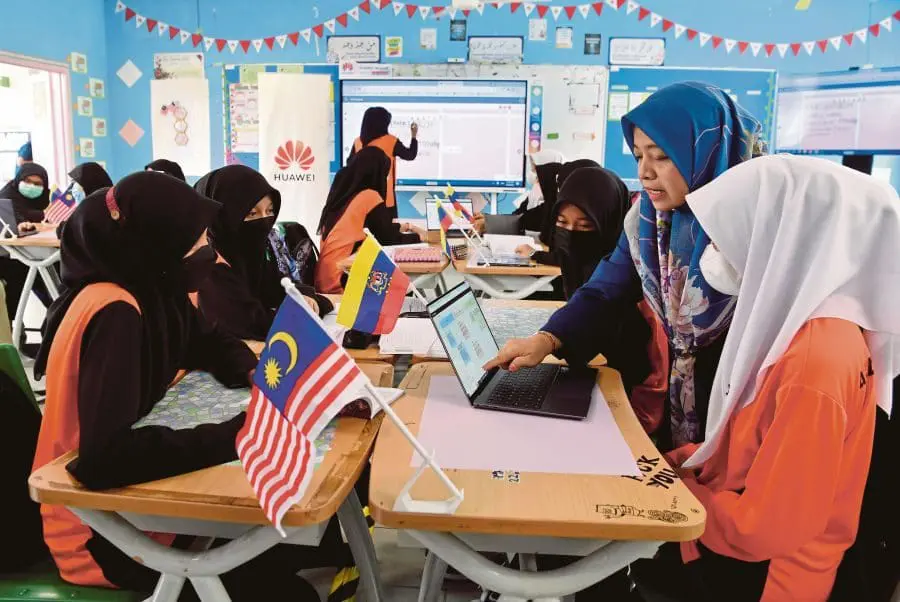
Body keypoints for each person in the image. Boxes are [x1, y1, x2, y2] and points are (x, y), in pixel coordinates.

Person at [30, 172, 329, 599]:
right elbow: (103, 459)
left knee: (292, 549)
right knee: (290, 592)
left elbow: (210, 341)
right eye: (194, 241)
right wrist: (238, 436)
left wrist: (255, 375)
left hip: (140, 501)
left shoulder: (158, 286)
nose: (206, 250)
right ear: (153, 243)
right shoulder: (113, 311)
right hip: (99, 530)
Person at [632, 154, 900, 602]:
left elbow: (765, 528)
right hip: (746, 544)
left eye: (729, 237)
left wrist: (678, 493)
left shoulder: (816, 360)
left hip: (768, 579)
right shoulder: (809, 325)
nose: (712, 253)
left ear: (786, 240)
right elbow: (767, 449)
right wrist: (693, 459)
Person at [485, 82, 763, 450]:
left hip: (744, 398)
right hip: (678, 404)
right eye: (638, 156)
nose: (645, 172)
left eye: (661, 155)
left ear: (706, 151)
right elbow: (605, 289)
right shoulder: (648, 221)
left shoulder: (756, 228)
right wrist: (546, 340)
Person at [193, 165, 332, 341]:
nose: (263, 221)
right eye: (251, 213)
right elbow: (260, 325)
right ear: (222, 216)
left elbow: (285, 289)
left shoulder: (255, 256)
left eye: (269, 211)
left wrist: (311, 300)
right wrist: (308, 309)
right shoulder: (210, 269)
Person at [317, 146, 425, 294]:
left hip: (325, 280)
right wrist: (420, 237)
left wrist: (406, 227)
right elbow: (388, 239)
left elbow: (378, 229)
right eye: (386, 175)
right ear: (376, 173)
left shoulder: (341, 197)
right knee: (405, 290)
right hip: (342, 282)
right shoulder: (369, 196)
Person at [348, 107, 418, 218]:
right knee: (388, 233)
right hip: (385, 200)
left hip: (360, 201)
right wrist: (414, 136)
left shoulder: (358, 142)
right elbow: (410, 155)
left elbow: (349, 167)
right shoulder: (391, 141)